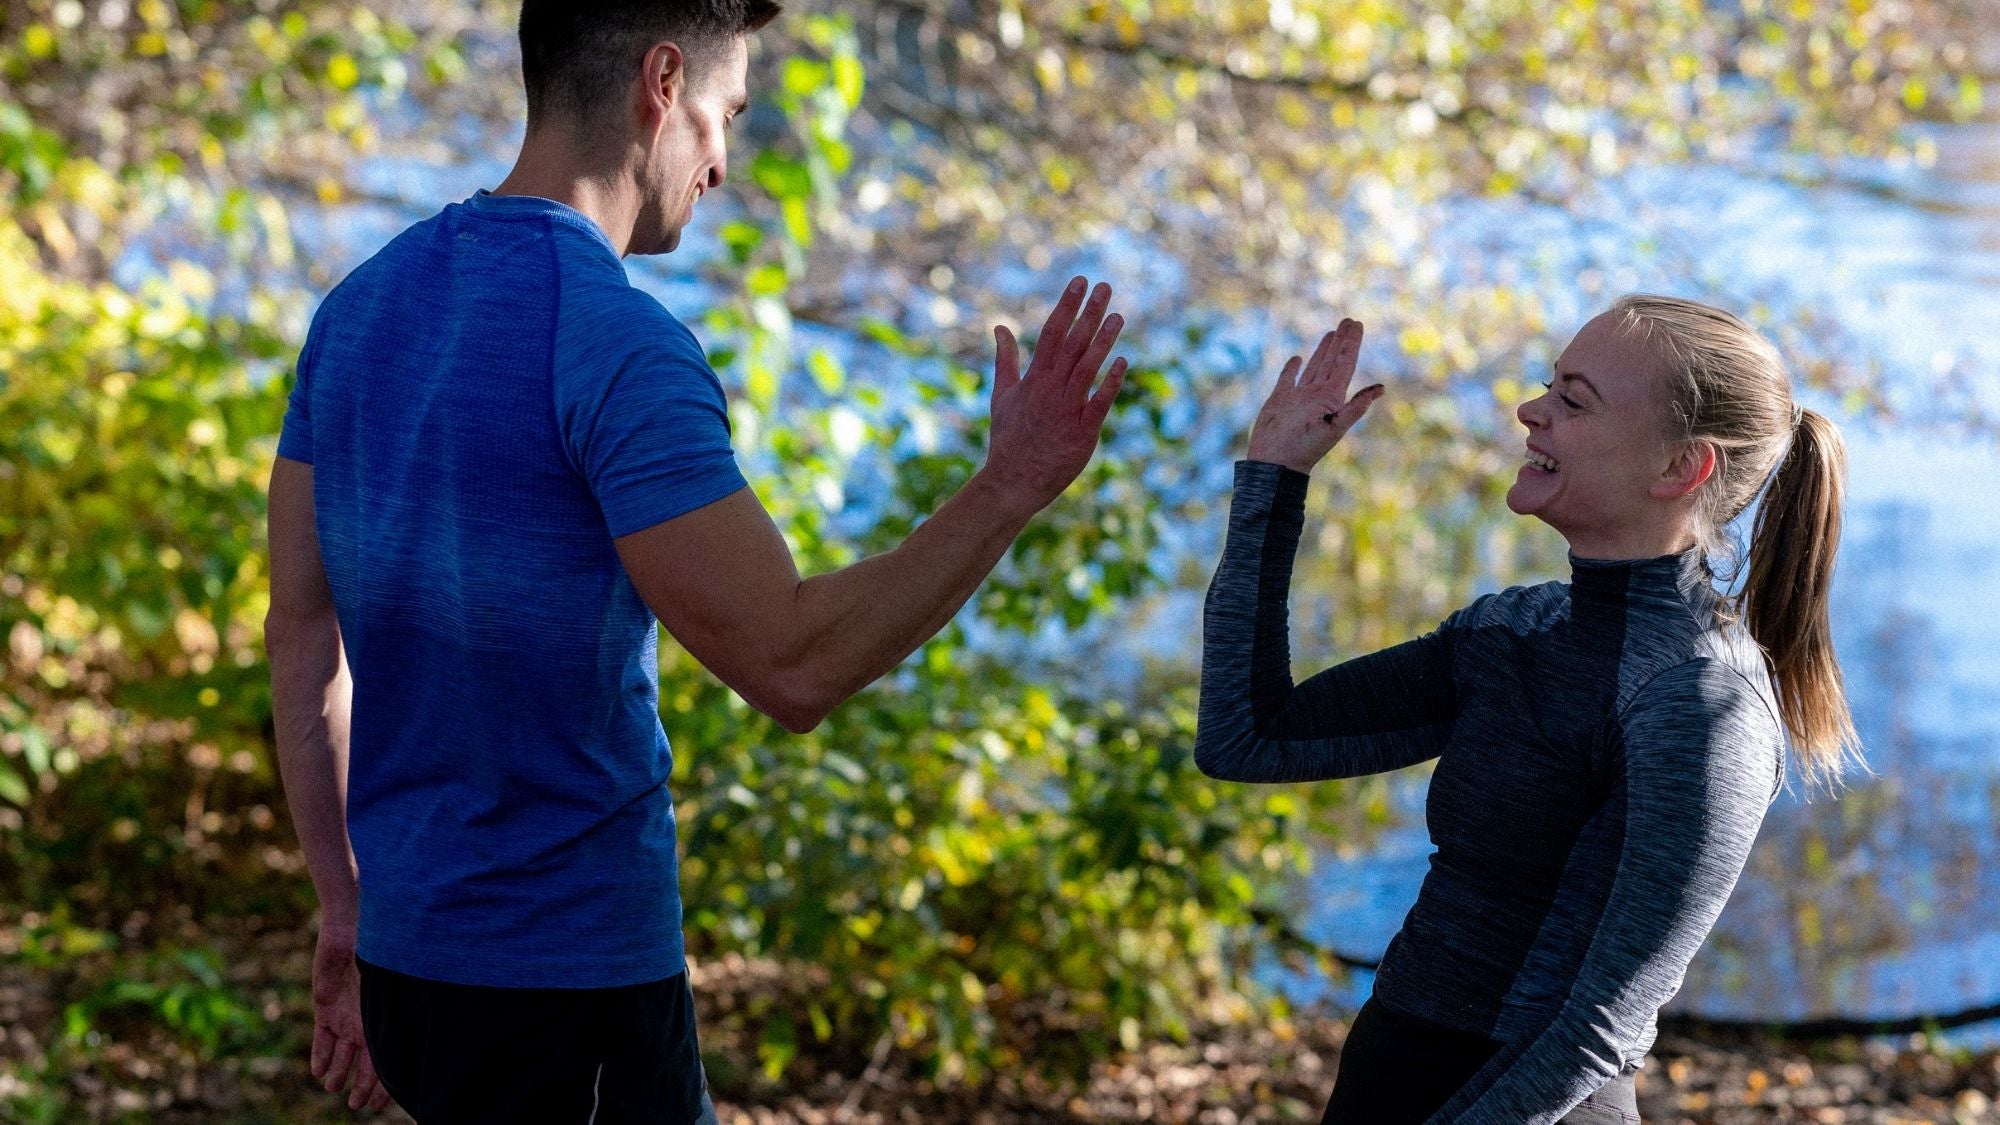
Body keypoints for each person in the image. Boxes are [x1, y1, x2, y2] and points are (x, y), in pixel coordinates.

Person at [262, 0, 1129, 1118]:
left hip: (411, 967)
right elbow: (792, 663)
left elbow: (300, 630)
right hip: (567, 987)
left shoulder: (359, 308)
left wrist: (344, 905)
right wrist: (1009, 486)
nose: (722, 158)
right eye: (725, 114)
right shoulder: (614, 342)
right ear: (660, 86)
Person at [1194, 299, 1858, 1123]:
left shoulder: (1699, 703)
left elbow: (1593, 1032)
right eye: (1551, 385)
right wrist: (1274, 479)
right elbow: (1247, 738)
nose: (1530, 410)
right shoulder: (1515, 629)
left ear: (1681, 467)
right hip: (1388, 1072)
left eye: (1574, 401)